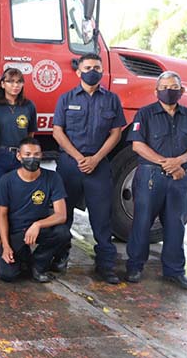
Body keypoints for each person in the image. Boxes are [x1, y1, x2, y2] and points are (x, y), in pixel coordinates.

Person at [125, 71, 187, 290]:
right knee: (142, 222)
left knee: (175, 224)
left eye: (174, 86)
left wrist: (179, 161)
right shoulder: (145, 114)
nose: (169, 90)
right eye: (164, 86)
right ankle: (134, 266)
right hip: (151, 176)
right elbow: (137, 145)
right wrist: (166, 163)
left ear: (182, 90)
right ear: (156, 91)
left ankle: (174, 271)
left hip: (180, 177)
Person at [52, 53, 126, 284]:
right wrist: (78, 157)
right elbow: (57, 132)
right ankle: (59, 256)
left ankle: (105, 265)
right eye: (87, 67)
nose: (92, 71)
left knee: (102, 216)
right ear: (78, 72)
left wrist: (96, 158)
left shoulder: (112, 100)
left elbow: (116, 132)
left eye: (96, 67)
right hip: (69, 164)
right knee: (63, 216)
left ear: (102, 70)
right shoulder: (66, 98)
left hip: (98, 165)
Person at [0, 137, 70, 283]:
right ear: (19, 156)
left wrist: (37, 225)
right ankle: (24, 259)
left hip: (39, 230)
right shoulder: (6, 180)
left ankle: (39, 265)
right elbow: (1, 215)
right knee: (8, 275)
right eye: (27, 154)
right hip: (16, 232)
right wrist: (5, 245)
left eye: (36, 154)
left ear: (41, 155)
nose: (32, 158)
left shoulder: (52, 178)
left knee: (62, 233)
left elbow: (61, 215)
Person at [0, 68, 37, 259]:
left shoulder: (28, 106)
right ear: (2, 84)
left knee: (19, 200)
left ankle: (17, 242)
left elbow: (31, 134)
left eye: (19, 82)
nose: (15, 85)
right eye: (11, 81)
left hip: (20, 158)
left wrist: (24, 154)